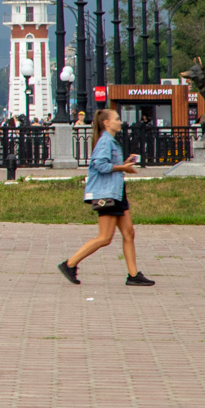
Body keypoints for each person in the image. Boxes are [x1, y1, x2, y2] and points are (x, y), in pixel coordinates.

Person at [59, 107, 154, 287]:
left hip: (117, 192)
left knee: (129, 233)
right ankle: (69, 264)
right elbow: (101, 166)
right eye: (116, 119)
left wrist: (125, 163)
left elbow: (108, 166)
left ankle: (133, 275)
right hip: (107, 194)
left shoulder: (110, 141)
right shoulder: (105, 142)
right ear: (106, 123)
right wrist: (122, 168)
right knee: (104, 237)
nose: (120, 122)